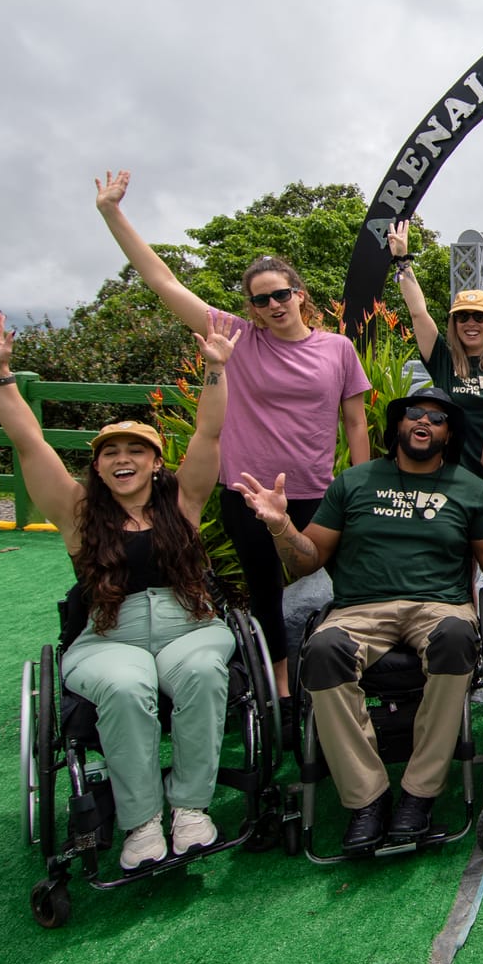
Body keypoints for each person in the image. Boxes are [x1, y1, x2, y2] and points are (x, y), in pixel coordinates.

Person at [0, 309, 243, 870]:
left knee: (200, 671)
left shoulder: (182, 505)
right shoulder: (77, 515)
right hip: (109, 636)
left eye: (136, 452)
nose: (123, 460)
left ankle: (192, 809)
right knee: (126, 687)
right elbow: (30, 447)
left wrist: (215, 369)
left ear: (155, 462)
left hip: (188, 625)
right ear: (97, 467)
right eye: (110, 453)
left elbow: (210, 432)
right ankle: (142, 822)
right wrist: (0, 377)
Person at [96, 170, 370, 705]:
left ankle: (343, 668)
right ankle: (284, 688)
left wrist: (356, 485)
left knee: (346, 583)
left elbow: (355, 422)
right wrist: (112, 213)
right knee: (265, 590)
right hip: (246, 490)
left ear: (300, 294)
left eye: (283, 294)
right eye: (261, 299)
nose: (274, 305)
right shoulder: (235, 338)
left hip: (316, 490)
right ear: (249, 306)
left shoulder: (338, 348)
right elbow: (163, 283)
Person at [231, 388, 483, 853]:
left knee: (459, 637)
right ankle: (367, 798)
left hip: (440, 607)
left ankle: (419, 793)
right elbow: (307, 561)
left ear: (449, 434)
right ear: (397, 426)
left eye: (437, 419)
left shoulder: (470, 488)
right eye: (414, 414)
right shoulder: (354, 483)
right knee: (321, 650)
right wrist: (280, 525)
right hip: (360, 608)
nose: (424, 423)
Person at [386, 220, 483, 477]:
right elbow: (417, 312)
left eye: (480, 317)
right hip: (449, 477)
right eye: (463, 317)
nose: (471, 323)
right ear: (454, 322)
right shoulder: (443, 361)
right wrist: (402, 261)